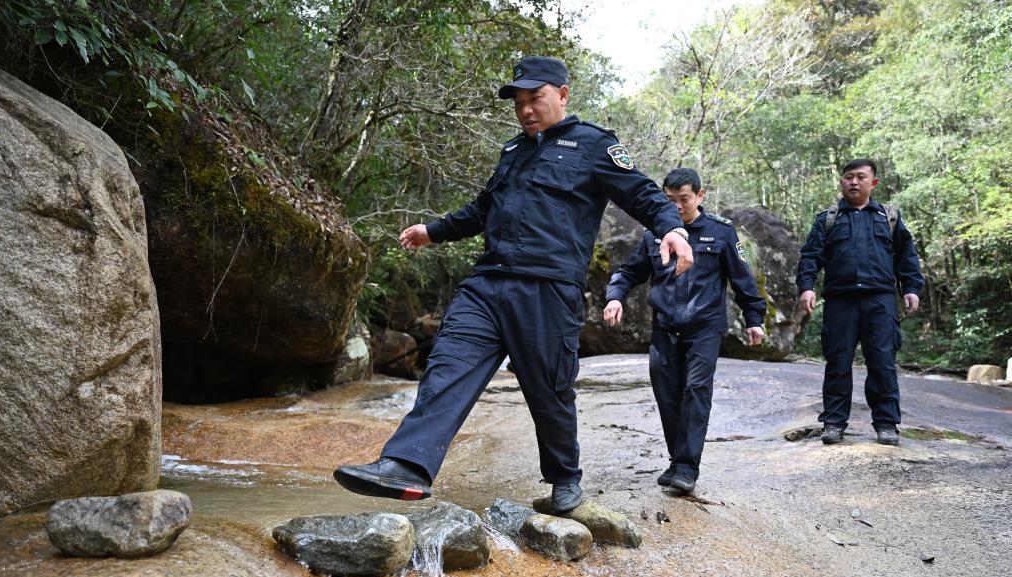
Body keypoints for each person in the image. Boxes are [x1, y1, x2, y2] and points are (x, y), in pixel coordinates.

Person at [333, 56, 695, 512]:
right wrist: (433, 230)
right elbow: (482, 209)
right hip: (487, 285)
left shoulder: (594, 146)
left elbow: (642, 194)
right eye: (519, 102)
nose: (525, 110)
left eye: (535, 99)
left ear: (562, 94)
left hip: (547, 290)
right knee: (446, 368)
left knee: (549, 391)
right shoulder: (512, 152)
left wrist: (673, 230)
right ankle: (407, 466)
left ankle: (564, 475)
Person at [603, 168, 766, 493]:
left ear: (700, 196)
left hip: (704, 329)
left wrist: (754, 318)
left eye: (684, 199)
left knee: (695, 392)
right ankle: (678, 460)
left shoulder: (721, 232)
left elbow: (742, 278)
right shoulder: (654, 234)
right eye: (670, 200)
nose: (677, 206)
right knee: (667, 395)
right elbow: (629, 272)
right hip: (664, 329)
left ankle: (687, 468)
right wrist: (615, 297)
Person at [796, 159, 924, 446]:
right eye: (848, 177)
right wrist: (807, 287)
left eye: (861, 177)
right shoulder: (828, 219)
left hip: (880, 300)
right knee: (838, 362)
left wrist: (911, 289)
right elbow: (810, 256)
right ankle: (833, 423)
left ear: (873, 183)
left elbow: (906, 257)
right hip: (841, 301)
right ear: (842, 182)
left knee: (882, 362)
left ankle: (886, 424)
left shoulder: (888, 217)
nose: (854, 182)